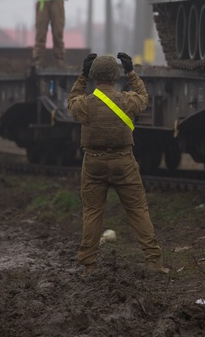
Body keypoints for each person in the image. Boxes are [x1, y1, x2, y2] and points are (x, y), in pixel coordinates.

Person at [67, 51, 166, 277]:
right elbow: (143, 97)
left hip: (93, 163)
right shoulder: (126, 100)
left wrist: (82, 75)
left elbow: (71, 101)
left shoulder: (85, 105)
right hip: (123, 162)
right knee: (138, 211)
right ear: (115, 77)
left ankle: (89, 266)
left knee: (92, 213)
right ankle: (153, 261)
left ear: (93, 76)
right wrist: (132, 72)